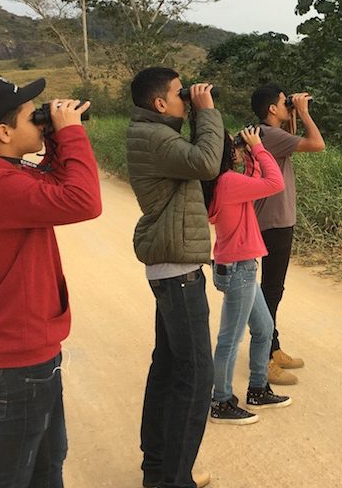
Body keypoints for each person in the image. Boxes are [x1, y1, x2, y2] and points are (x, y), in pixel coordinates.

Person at [0, 76, 102, 488]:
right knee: (9, 478)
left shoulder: (6, 174)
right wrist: (69, 134)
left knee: (46, 467)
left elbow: (54, 182)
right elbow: (84, 201)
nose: (40, 120)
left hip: (29, 354)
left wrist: (55, 137)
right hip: (15, 361)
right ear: (3, 132)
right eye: (30, 116)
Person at [126, 67, 223, 488]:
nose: (187, 98)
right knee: (197, 374)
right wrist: (208, 112)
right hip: (178, 273)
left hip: (173, 268)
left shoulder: (155, 134)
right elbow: (205, 163)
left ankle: (160, 471)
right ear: (159, 103)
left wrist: (201, 116)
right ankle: (173, 479)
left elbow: (206, 164)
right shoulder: (155, 137)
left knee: (168, 369)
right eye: (179, 93)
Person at [204, 127, 291, 424]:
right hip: (239, 268)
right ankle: (221, 400)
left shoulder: (226, 181)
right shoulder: (227, 182)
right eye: (234, 147)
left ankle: (257, 388)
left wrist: (252, 155)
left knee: (264, 329)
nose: (238, 149)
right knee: (230, 339)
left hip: (243, 266)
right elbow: (274, 183)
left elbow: (256, 182)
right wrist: (259, 148)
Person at [251, 84, 325, 385]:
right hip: (276, 221)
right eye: (285, 103)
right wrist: (305, 113)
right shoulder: (272, 136)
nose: (288, 106)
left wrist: (292, 113)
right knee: (271, 291)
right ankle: (265, 358)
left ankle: (274, 346)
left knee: (272, 289)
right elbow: (316, 144)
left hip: (270, 219)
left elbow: (294, 142)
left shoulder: (262, 133)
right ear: (272, 108)